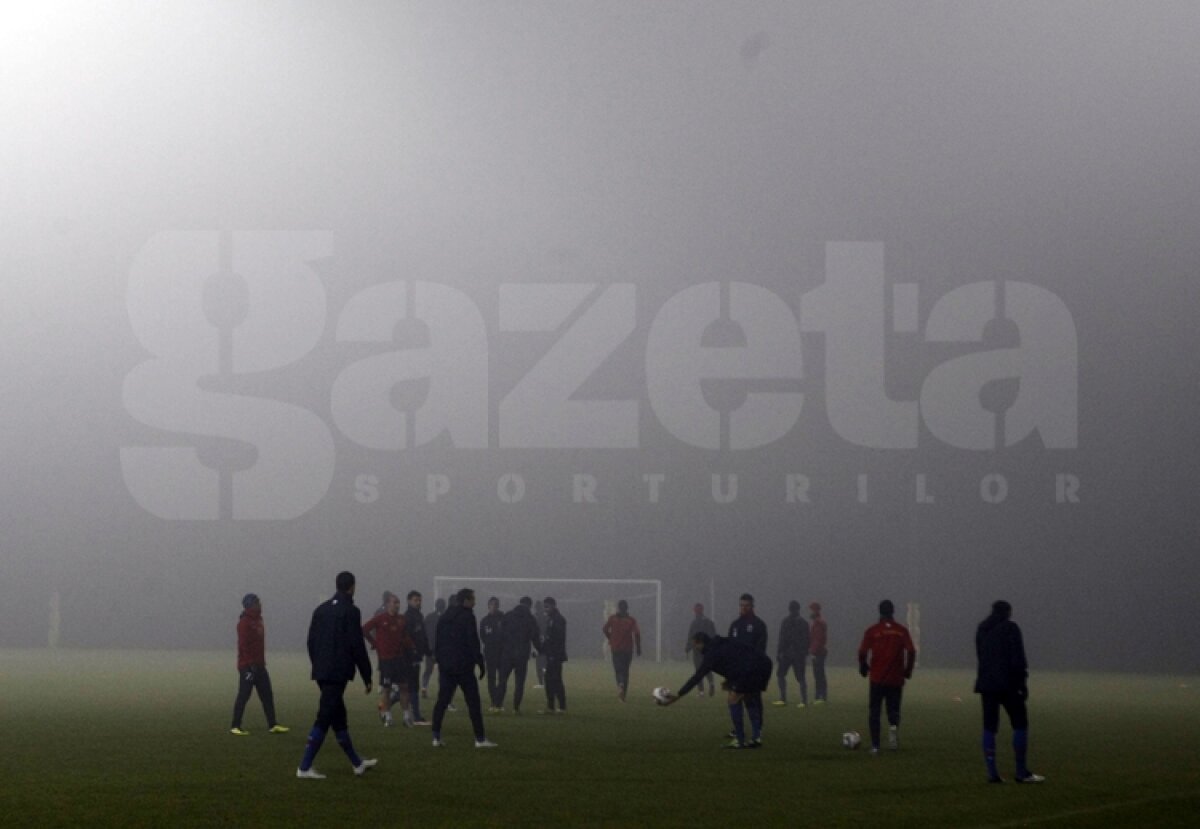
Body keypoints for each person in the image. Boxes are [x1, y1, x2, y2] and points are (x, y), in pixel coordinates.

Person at [296, 571, 376, 779]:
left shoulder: (321, 609)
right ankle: (304, 767)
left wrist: (318, 664)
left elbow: (311, 641)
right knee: (324, 716)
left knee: (338, 716)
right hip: (338, 671)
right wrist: (366, 675)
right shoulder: (351, 611)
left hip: (322, 670)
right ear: (352, 587)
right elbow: (356, 645)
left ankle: (357, 763)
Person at [661, 632, 773, 749]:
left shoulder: (711, 654)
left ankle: (739, 740)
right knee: (749, 697)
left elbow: (697, 677)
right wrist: (730, 680)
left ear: (701, 643)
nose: (695, 648)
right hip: (764, 664)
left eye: (695, 645)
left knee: (733, 699)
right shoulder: (721, 643)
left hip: (751, 668)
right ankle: (756, 737)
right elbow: (736, 659)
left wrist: (678, 695)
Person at [975, 600, 1044, 783]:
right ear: (1007, 612)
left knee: (989, 727)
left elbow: (980, 656)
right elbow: (1018, 658)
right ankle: (1021, 772)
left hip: (987, 684)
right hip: (1009, 683)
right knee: (1020, 724)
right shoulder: (1010, 628)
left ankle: (992, 773)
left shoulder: (982, 628)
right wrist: (1022, 682)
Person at [431, 588, 497, 748]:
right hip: (463, 666)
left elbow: (438, 641)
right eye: (472, 599)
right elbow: (472, 641)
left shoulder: (445, 617)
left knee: (442, 701)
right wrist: (480, 661)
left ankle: (436, 737)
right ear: (466, 600)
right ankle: (480, 739)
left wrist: (440, 660)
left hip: (447, 666)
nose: (475, 602)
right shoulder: (468, 616)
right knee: (473, 702)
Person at [857, 599, 917, 754]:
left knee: (875, 712)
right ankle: (893, 737)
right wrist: (908, 670)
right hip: (896, 678)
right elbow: (911, 650)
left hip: (877, 678)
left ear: (879, 612)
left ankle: (875, 745)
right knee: (893, 710)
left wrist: (863, 666)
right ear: (893, 611)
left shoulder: (873, 630)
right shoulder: (901, 631)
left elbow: (862, 651)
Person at [230, 593, 288, 736]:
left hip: (260, 665)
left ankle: (272, 724)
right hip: (248, 667)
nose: (260, 604)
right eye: (257, 602)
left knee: (267, 694)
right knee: (244, 695)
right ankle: (235, 725)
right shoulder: (244, 622)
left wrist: (259, 663)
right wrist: (249, 666)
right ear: (250, 605)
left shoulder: (259, 620)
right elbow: (243, 645)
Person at [362, 592, 415, 727]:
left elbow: (405, 636)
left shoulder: (402, 619)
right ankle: (388, 716)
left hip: (399, 658)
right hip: (386, 660)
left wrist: (411, 646)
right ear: (387, 604)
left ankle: (406, 716)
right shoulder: (380, 618)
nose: (397, 605)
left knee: (404, 687)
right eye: (394, 602)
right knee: (387, 689)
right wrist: (374, 643)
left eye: (398, 602)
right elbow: (364, 630)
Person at [497, 596, 540, 714]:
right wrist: (540, 649)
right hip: (522, 654)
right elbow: (535, 636)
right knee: (519, 683)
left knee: (502, 680)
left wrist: (501, 649)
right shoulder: (530, 618)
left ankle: (498, 705)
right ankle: (516, 708)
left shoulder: (508, 615)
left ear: (519, 603)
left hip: (507, 653)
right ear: (530, 606)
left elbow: (500, 633)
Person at [602, 599, 642, 701]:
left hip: (616, 649)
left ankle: (620, 684)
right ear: (627, 608)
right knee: (625, 671)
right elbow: (637, 633)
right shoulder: (631, 620)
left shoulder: (613, 619)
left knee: (618, 669)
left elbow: (605, 629)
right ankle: (623, 696)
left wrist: (611, 638)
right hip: (628, 649)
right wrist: (638, 647)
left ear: (618, 608)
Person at [775, 600, 810, 707]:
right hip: (796, 654)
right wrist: (804, 652)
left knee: (783, 675)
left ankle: (783, 698)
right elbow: (807, 639)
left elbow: (782, 638)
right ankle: (803, 700)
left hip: (789, 653)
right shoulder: (803, 622)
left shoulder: (786, 621)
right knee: (799, 677)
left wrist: (779, 652)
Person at [403, 590, 431, 724]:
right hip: (409, 657)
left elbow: (422, 636)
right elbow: (406, 637)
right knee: (412, 686)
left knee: (409, 686)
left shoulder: (419, 615)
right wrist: (413, 651)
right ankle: (417, 716)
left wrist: (427, 651)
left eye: (419, 600)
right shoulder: (407, 617)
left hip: (417, 655)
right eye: (415, 600)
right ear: (409, 601)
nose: (418, 602)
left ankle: (386, 704)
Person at [540, 596, 568, 713]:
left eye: (547, 607)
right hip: (552, 654)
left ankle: (556, 706)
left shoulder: (557, 620)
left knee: (553, 680)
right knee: (554, 680)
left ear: (553, 606)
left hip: (555, 655)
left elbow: (556, 639)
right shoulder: (553, 619)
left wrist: (550, 651)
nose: (545, 609)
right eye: (544, 607)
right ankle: (557, 706)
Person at [685, 603, 717, 696]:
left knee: (699, 670)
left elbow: (691, 636)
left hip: (698, 650)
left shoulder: (695, 623)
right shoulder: (708, 622)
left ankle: (701, 691)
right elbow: (713, 635)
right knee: (706, 668)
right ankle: (711, 683)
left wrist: (688, 647)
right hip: (705, 650)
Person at [480, 597, 505, 711]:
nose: (494, 607)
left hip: (502, 653)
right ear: (488, 606)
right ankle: (494, 701)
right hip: (490, 653)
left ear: (498, 606)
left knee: (502, 678)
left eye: (496, 604)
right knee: (491, 678)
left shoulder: (503, 619)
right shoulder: (484, 621)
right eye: (492, 605)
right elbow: (483, 636)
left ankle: (499, 701)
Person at [422, 597, 446, 699]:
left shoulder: (429, 617)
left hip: (430, 648)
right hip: (442, 649)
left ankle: (424, 687)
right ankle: (442, 691)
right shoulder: (446, 617)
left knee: (428, 670)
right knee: (443, 672)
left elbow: (424, 632)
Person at [809, 602, 828, 704]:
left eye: (812, 610)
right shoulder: (819, 622)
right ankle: (820, 696)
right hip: (820, 651)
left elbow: (817, 639)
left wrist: (813, 652)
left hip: (818, 652)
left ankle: (820, 696)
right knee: (819, 674)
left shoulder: (818, 623)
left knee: (819, 675)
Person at [533, 599, 548, 688]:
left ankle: (543, 682)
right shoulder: (543, 617)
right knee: (541, 663)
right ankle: (542, 682)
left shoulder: (538, 618)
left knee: (541, 663)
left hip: (541, 643)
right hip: (541, 643)